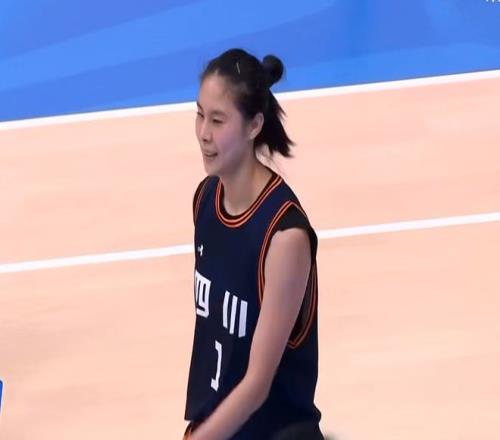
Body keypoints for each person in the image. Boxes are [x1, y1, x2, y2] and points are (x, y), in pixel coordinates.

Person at [184, 48, 324, 440]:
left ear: (253, 125)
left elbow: (257, 383)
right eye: (199, 114)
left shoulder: (284, 236)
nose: (204, 133)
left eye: (218, 120)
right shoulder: (206, 200)